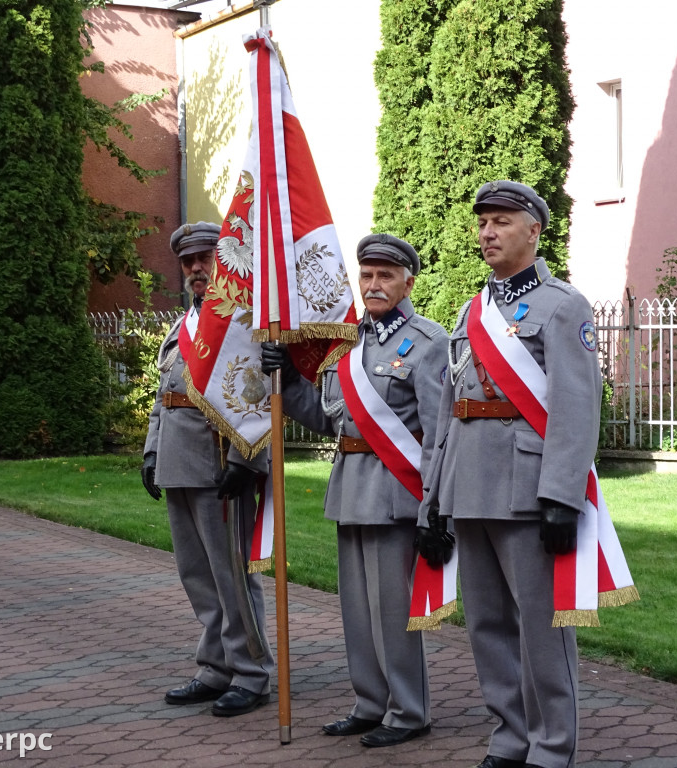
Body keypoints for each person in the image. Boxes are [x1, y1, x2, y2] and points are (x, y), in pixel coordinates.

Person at [417, 181, 603, 768]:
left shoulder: (563, 305)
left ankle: (551, 746)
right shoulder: (472, 312)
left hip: (527, 487)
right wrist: (435, 500)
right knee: (488, 625)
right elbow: (450, 411)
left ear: (534, 230)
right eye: (482, 223)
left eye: (500, 221)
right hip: (468, 484)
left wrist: (561, 495)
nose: (487, 233)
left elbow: (576, 406)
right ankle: (510, 737)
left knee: (541, 627)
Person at [261, 234, 448, 748]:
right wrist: (288, 383)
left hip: (395, 493)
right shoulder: (346, 343)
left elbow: (437, 433)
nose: (374, 284)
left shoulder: (428, 343)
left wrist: (434, 506)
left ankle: (408, 710)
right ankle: (369, 702)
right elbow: (329, 418)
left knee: (392, 611)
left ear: (408, 281)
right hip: (350, 490)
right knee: (357, 611)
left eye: (386, 275)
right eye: (367, 275)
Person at [142, 221, 274, 717]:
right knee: (197, 576)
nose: (197, 268)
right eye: (189, 261)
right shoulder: (183, 326)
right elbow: (164, 399)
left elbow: (257, 398)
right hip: (179, 464)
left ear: (224, 262)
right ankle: (216, 667)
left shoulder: (241, 324)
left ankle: (251, 673)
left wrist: (245, 460)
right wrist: (152, 452)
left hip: (221, 467)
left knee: (232, 576)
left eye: (206, 258)